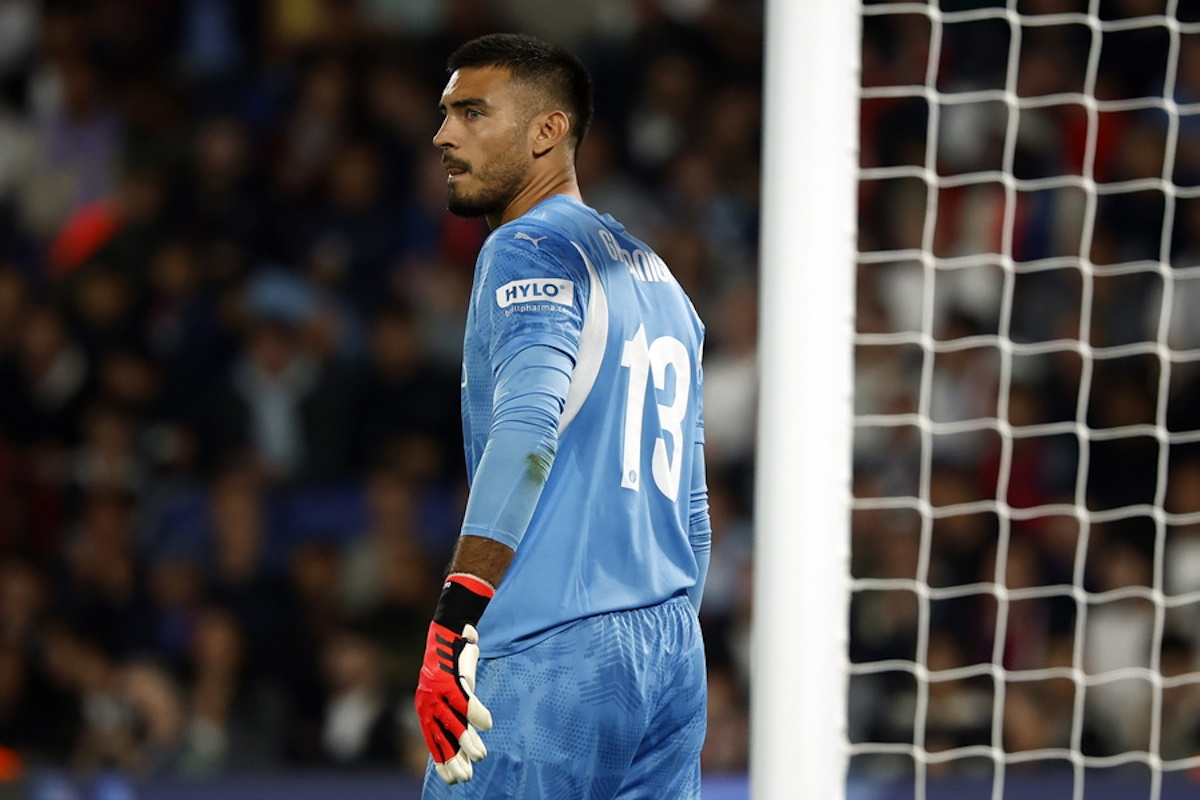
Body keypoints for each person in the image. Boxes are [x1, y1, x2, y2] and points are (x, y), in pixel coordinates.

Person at [413, 33, 711, 799]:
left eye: (472, 113)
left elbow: (526, 433)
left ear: (547, 131)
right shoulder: (664, 281)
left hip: (551, 655)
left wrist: (454, 622)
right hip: (670, 653)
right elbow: (695, 506)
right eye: (445, 114)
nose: (444, 135)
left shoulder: (528, 248)